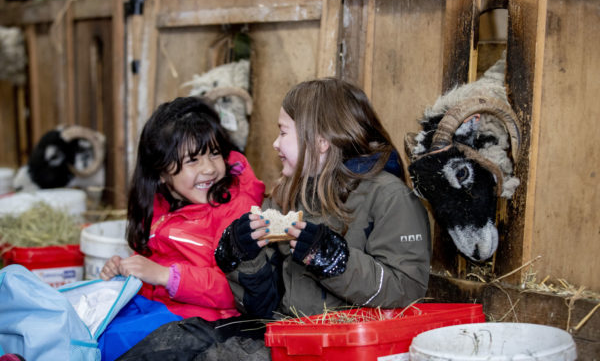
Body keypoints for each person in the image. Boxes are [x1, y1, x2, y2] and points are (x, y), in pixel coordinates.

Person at [117, 78, 431, 361]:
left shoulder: (391, 197)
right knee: (166, 344)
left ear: (319, 141)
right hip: (280, 330)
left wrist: (335, 261)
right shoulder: (288, 195)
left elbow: (408, 289)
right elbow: (261, 308)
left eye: (283, 132)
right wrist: (242, 257)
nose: (275, 145)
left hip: (337, 343)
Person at [98, 96, 265, 360]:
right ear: (162, 173)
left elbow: (237, 289)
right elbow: (156, 259)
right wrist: (126, 267)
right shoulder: (164, 204)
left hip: (205, 321)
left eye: (214, 154)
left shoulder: (236, 210)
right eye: (193, 160)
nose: (209, 168)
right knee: (95, 328)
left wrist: (167, 276)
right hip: (158, 309)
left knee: (116, 342)